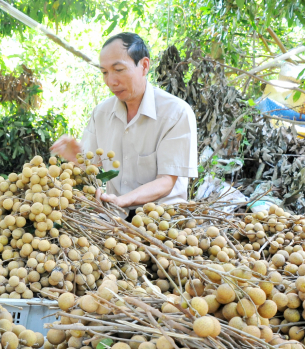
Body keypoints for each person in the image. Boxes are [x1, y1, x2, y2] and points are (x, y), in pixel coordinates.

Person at [50, 32, 198, 216]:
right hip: (114, 217)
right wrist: (76, 157)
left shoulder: (176, 113)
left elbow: (167, 181)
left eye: (118, 70)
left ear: (144, 66)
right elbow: (93, 169)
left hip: (162, 219)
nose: (111, 81)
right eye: (104, 72)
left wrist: (123, 200)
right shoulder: (101, 113)